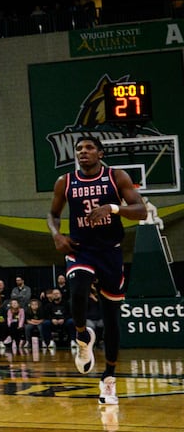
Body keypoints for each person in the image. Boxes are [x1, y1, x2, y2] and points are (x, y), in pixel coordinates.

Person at [49, 135, 151, 407]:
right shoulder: (65, 181)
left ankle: (109, 378)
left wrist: (114, 208)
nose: (83, 152)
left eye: (89, 148)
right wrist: (56, 235)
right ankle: (82, 336)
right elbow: (54, 214)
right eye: (79, 149)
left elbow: (141, 211)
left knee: (112, 319)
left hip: (110, 251)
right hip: (80, 248)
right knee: (78, 288)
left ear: (100, 152)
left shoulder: (117, 177)